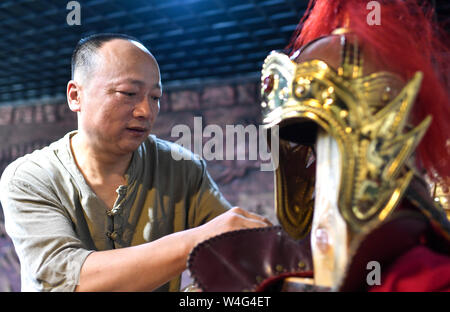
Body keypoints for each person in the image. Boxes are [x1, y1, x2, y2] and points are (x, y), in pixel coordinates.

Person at [186, 0, 450, 292]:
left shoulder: (426, 278)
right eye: (318, 147)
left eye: (335, 145)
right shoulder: (275, 273)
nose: (319, 172)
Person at [0, 33, 271, 292]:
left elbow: (236, 249)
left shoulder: (181, 168)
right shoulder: (30, 177)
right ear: (75, 96)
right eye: (128, 93)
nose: (146, 111)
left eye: (155, 97)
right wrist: (197, 239)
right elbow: (67, 280)